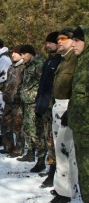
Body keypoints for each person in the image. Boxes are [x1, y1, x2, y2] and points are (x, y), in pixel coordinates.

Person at [49, 28, 78, 203]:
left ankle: (67, 191)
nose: (59, 41)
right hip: (58, 106)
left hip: (67, 106)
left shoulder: (75, 60)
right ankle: (61, 187)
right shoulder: (63, 60)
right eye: (58, 39)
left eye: (63, 38)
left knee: (66, 150)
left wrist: (71, 108)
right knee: (59, 150)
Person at [68, 25, 89, 203]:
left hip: (87, 127)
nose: (72, 44)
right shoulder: (81, 61)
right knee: (84, 170)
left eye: (77, 40)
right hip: (80, 126)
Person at [35, 32, 62, 184]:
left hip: (55, 107)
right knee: (48, 140)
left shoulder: (61, 61)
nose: (48, 45)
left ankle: (54, 174)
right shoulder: (48, 62)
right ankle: (51, 170)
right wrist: (39, 104)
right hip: (45, 106)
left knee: (54, 142)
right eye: (47, 43)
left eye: (50, 43)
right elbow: (42, 86)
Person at [16, 45, 45, 164]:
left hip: (34, 102)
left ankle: (41, 157)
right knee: (27, 128)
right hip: (26, 101)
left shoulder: (39, 64)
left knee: (36, 130)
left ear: (30, 53)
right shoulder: (28, 65)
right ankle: (30, 152)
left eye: (23, 54)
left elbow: (43, 83)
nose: (22, 57)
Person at [0, 45, 25, 157]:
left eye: (16, 53)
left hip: (18, 102)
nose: (13, 55)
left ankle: (19, 149)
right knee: (4, 123)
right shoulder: (11, 67)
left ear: (21, 55)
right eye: (12, 53)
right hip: (8, 101)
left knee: (18, 126)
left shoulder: (24, 67)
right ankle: (8, 146)